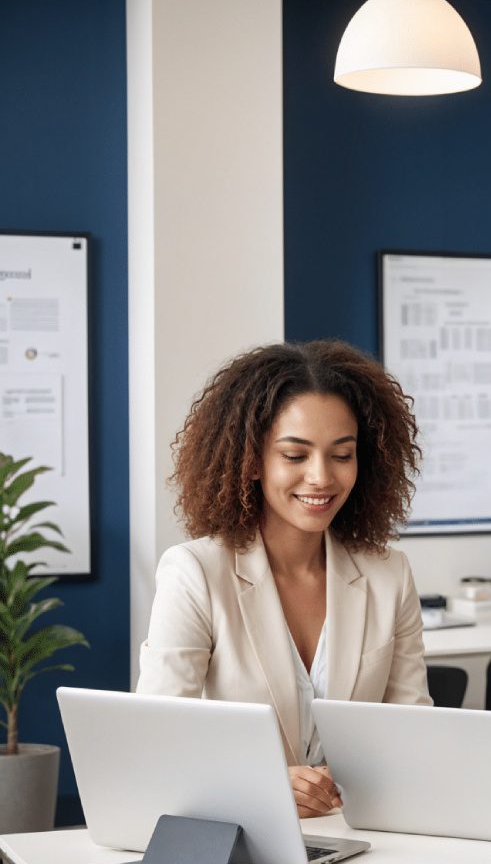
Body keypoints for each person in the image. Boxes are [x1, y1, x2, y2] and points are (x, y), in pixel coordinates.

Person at [137, 340, 431, 818]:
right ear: (251, 461)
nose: (321, 477)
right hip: (242, 834)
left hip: (364, 834)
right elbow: (157, 737)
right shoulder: (195, 572)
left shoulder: (388, 574)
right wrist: (265, 783)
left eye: (342, 455)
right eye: (295, 456)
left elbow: (414, 731)